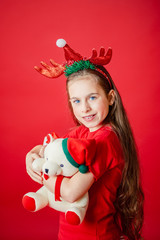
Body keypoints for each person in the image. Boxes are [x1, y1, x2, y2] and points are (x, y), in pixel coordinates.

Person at [26, 39, 144, 240]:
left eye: (92, 98)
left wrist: (43, 171)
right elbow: (50, 149)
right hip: (69, 232)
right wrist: (32, 156)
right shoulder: (81, 132)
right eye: (77, 101)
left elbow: (71, 193)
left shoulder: (105, 140)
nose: (85, 108)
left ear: (111, 98)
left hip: (95, 235)